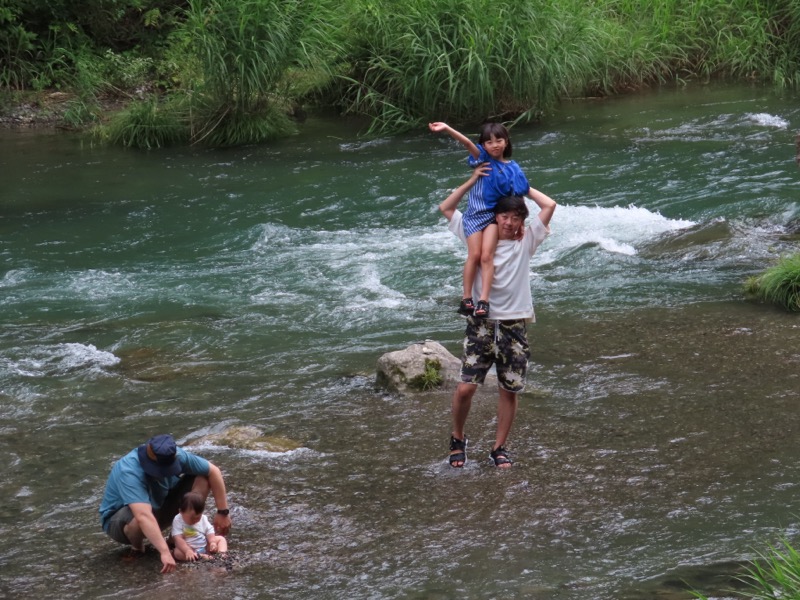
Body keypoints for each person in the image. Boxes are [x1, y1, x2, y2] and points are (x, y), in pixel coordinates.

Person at [439, 164, 556, 468]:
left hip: (514, 323)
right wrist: (473, 180)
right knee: (466, 386)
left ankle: (499, 447)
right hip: (481, 323)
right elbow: (448, 208)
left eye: (515, 218)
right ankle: (457, 437)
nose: (508, 223)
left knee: (509, 388)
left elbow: (550, 205)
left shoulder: (526, 241)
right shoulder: (475, 238)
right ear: (495, 218)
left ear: (521, 222)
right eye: (504, 216)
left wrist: (521, 185)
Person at [429, 121, 533, 318]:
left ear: (506, 142)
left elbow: (518, 197)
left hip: (493, 216)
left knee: (487, 256)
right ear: (483, 146)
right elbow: (467, 143)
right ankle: (467, 298)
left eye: (498, 140)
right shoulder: (483, 159)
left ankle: (484, 301)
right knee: (474, 255)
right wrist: (447, 128)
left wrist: (521, 224)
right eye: (489, 142)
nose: (494, 145)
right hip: (475, 215)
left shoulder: (514, 168)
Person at [99, 433, 232, 573]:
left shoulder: (176, 455)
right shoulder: (129, 471)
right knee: (138, 518)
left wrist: (222, 512)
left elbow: (213, 471)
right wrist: (165, 552)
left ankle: (176, 537)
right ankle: (137, 548)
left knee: (203, 477)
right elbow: (143, 516)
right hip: (122, 523)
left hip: (157, 508)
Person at [171, 491, 228, 561]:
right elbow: (178, 539)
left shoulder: (203, 518)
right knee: (177, 553)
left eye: (198, 517)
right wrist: (187, 550)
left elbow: (209, 530)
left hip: (204, 545)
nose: (195, 520)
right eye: (191, 518)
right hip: (189, 548)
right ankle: (201, 556)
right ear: (181, 512)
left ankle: (221, 555)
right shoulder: (178, 520)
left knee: (221, 539)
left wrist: (212, 542)